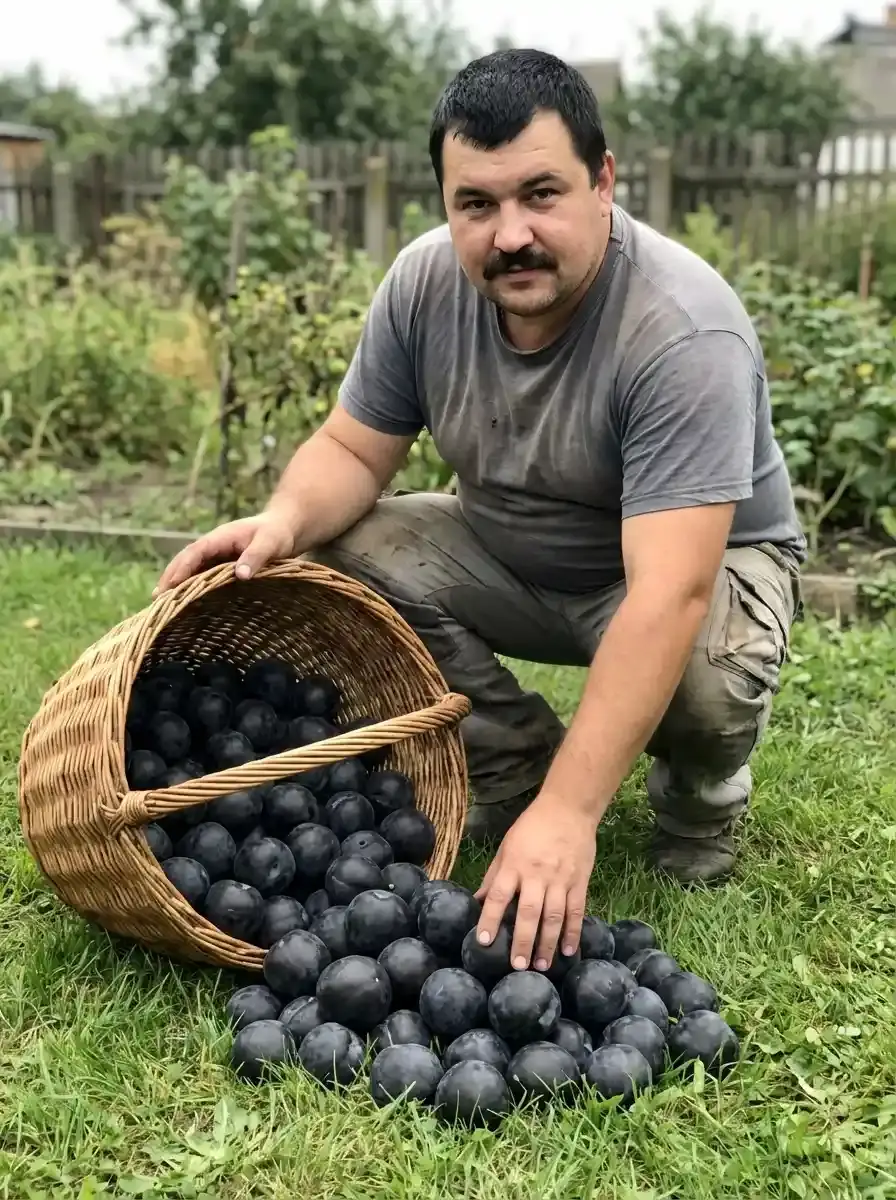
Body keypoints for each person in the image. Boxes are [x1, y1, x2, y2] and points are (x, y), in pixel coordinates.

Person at [155, 48, 805, 977]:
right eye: (478, 205)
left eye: (542, 194)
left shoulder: (682, 329)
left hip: (697, 574)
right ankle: (515, 763)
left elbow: (670, 594)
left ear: (603, 181)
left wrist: (576, 822)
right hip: (516, 557)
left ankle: (700, 795)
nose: (510, 235)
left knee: (697, 675)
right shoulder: (425, 285)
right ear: (448, 205)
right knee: (344, 544)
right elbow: (350, 450)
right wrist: (283, 521)